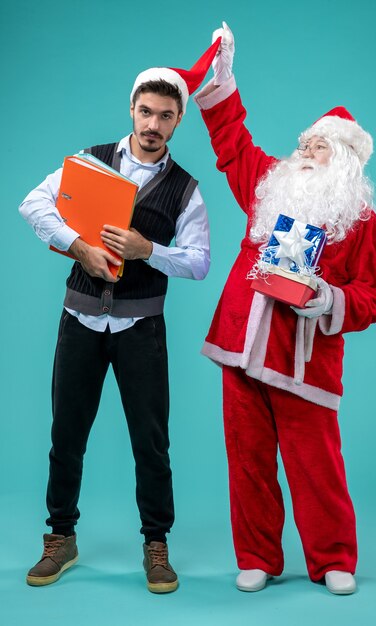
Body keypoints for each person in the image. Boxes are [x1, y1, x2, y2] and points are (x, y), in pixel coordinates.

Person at [19, 39, 221, 593]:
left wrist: (147, 250)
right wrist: (76, 246)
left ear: (179, 122)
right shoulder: (90, 161)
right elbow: (33, 204)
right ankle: (61, 537)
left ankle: (157, 545)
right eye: (146, 111)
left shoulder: (186, 190)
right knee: (67, 433)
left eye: (166, 115)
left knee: (150, 441)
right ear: (131, 110)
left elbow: (201, 262)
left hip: (141, 329)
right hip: (79, 319)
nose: (154, 123)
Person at [193, 23, 376, 595]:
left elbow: (374, 296)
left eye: (318, 145)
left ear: (346, 159)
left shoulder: (361, 221)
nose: (303, 152)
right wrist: (224, 79)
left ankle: (333, 559)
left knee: (315, 464)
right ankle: (257, 554)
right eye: (303, 143)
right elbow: (232, 141)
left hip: (305, 360)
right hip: (242, 344)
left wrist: (329, 300)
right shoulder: (268, 184)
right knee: (247, 460)